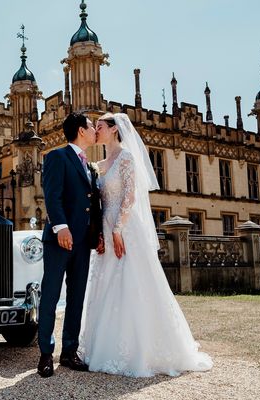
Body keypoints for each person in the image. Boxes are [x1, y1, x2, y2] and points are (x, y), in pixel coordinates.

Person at [79, 112, 213, 377]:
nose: (97, 130)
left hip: (126, 228)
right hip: (106, 228)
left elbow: (129, 197)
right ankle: (104, 347)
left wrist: (118, 229)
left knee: (133, 282)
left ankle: (141, 350)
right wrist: (102, 233)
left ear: (115, 130)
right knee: (106, 286)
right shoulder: (101, 164)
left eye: (101, 126)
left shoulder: (126, 157)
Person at [37, 112, 103, 378]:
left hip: (83, 242)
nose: (95, 129)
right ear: (80, 130)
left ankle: (68, 352)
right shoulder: (57, 156)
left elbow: (93, 204)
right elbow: (52, 196)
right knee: (51, 296)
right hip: (59, 239)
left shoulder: (91, 167)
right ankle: (45, 354)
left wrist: (97, 234)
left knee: (76, 298)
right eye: (91, 125)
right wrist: (60, 227)